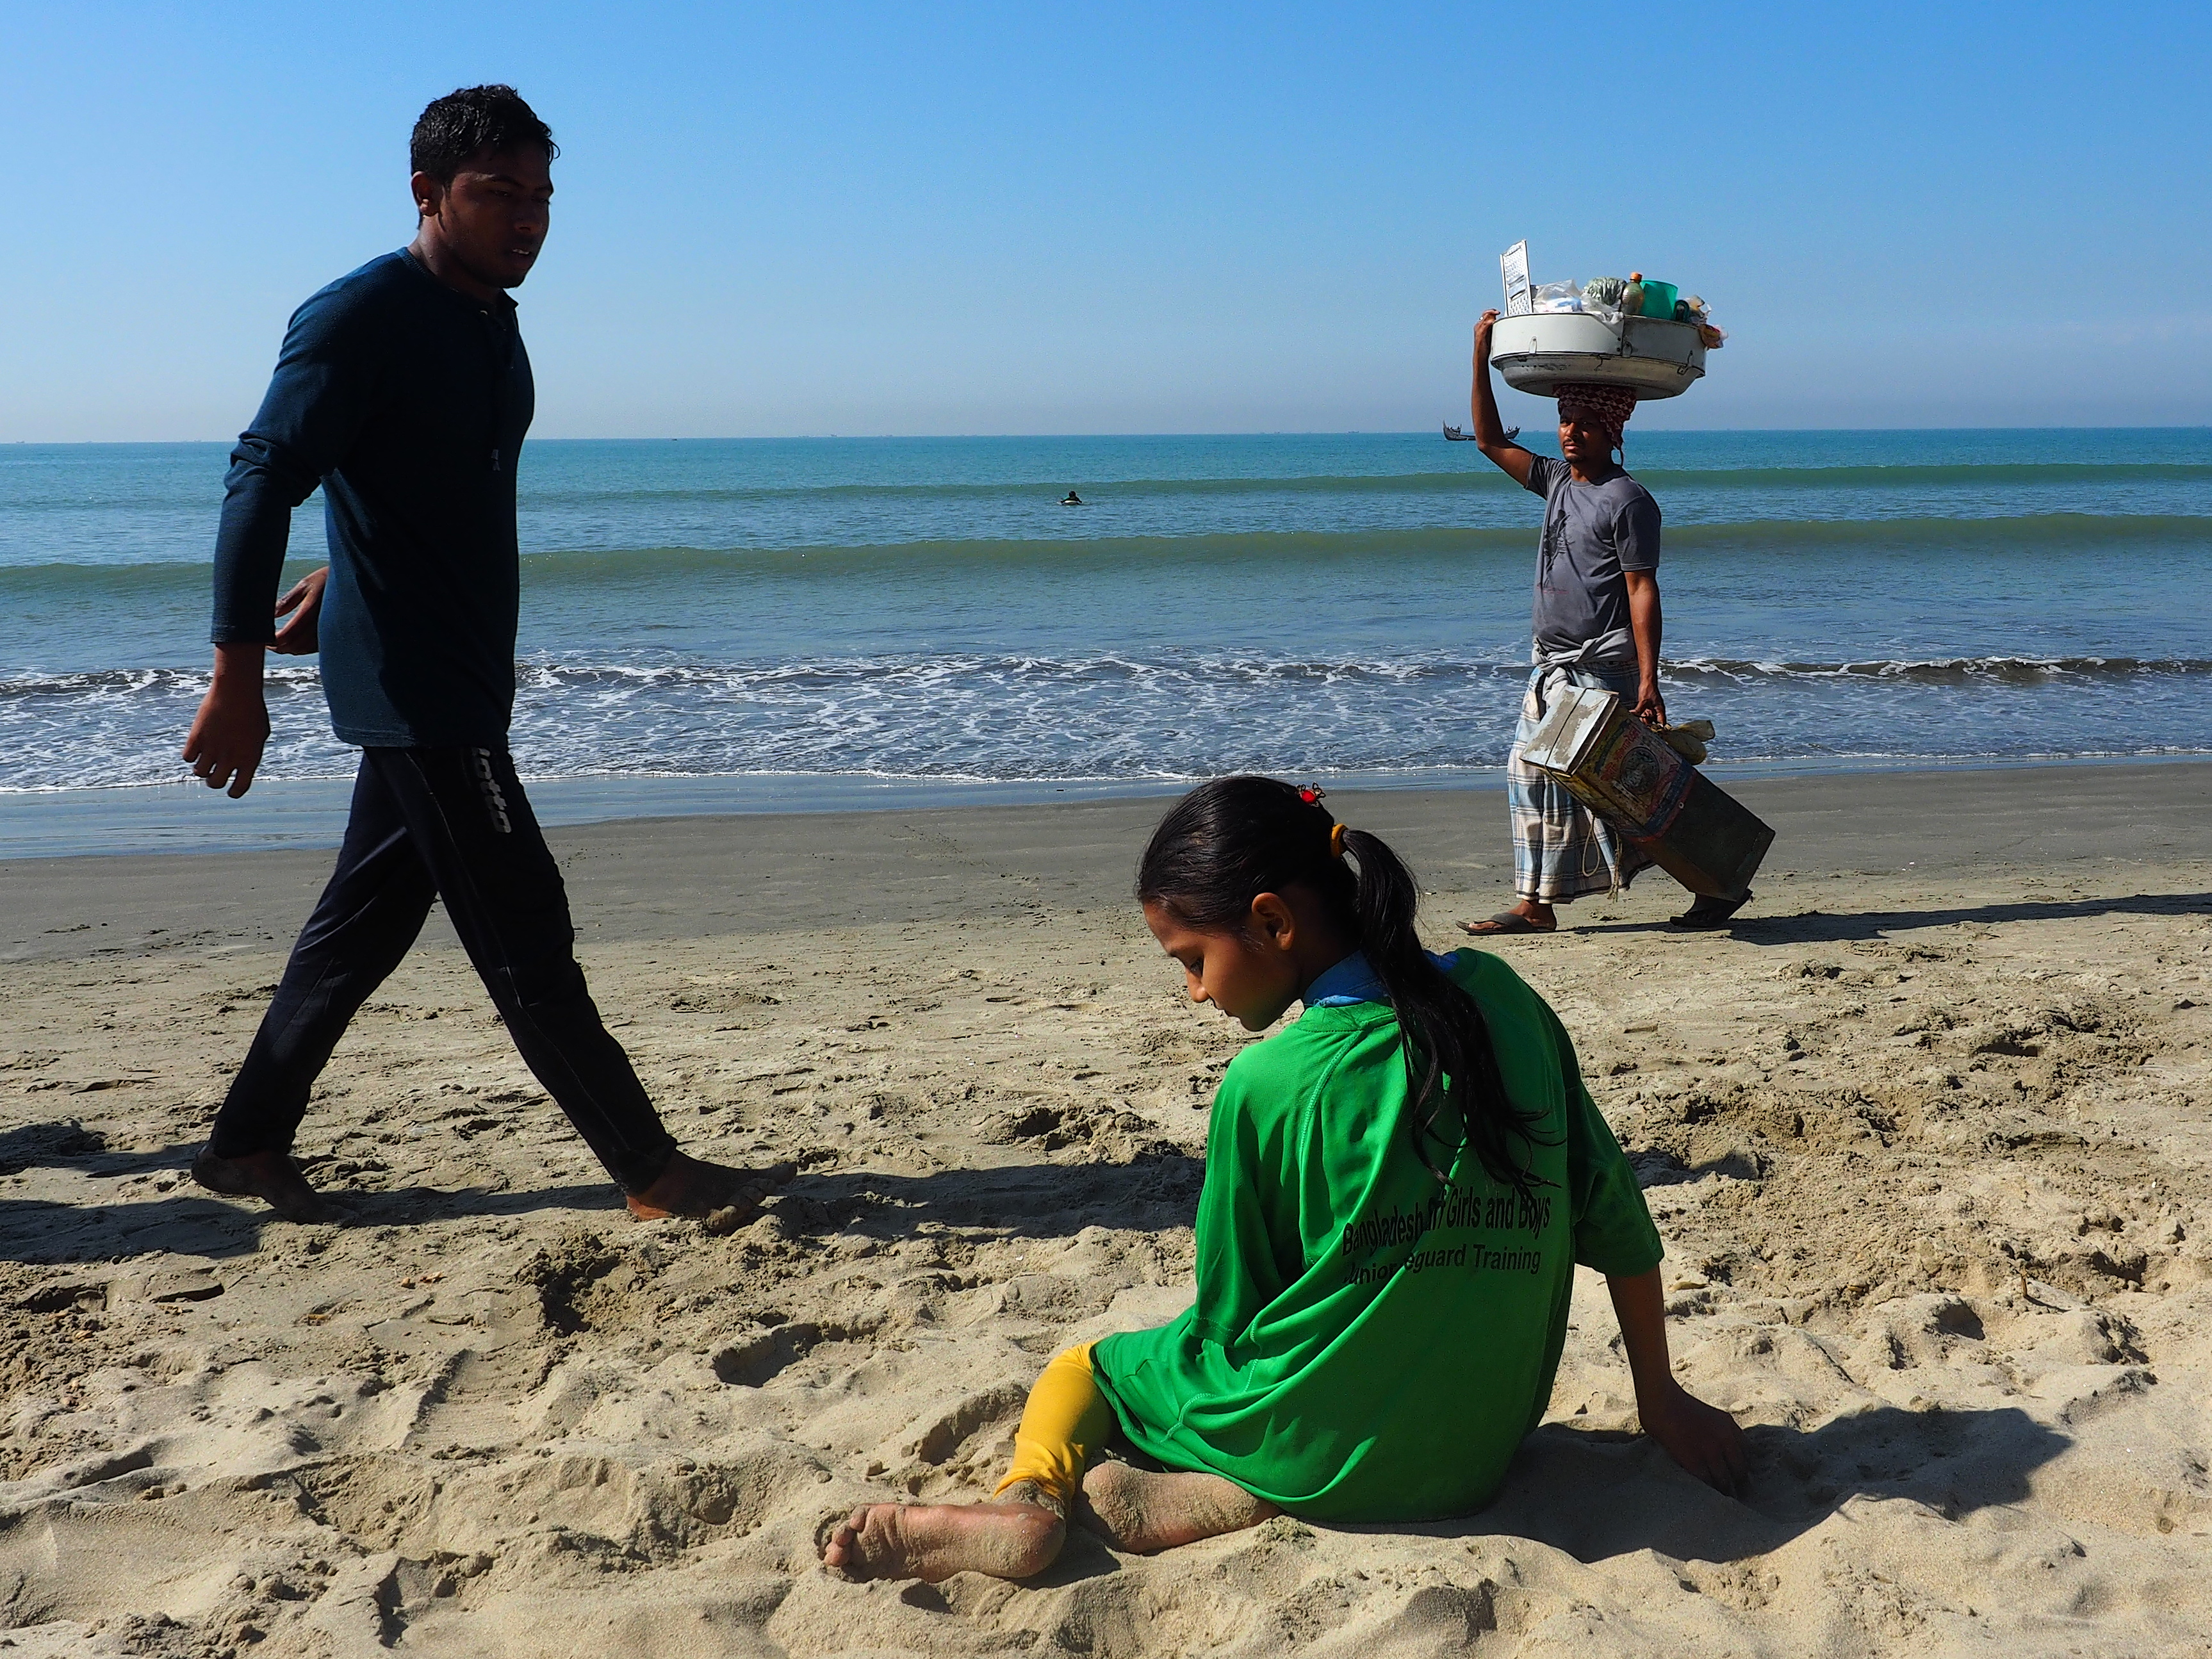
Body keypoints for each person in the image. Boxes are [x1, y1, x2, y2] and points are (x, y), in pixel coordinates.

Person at [821, 776, 1745, 1583]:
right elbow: (1615, 1218)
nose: (1194, 992)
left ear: (1271, 920)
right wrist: (1657, 1400)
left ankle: (1031, 1498)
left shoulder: (1268, 1083)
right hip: (1478, 1454)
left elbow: (1232, 1318)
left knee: (1091, 1365)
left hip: (1329, 1446)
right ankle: (1259, 1482)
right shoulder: (1507, 999)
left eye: (1192, 960)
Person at [180, 86, 791, 1227]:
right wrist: (236, 677)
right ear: (428, 194)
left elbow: (411, 473)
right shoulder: (359, 316)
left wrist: (341, 575)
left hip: (450, 662)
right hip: (420, 688)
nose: (527, 219)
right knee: (525, 929)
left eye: (541, 195)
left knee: (364, 919)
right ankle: (652, 1173)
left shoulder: (485, 312)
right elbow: (262, 475)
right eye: (497, 193)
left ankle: (248, 1141)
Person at [1461, 310, 1748, 935]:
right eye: (1566, 420)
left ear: (1612, 430)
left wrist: (1650, 680)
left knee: (1631, 793)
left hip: (1601, 667)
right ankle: (1535, 906)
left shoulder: (1629, 500)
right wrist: (1480, 354)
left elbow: (1643, 590)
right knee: (1536, 775)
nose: (1571, 432)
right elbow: (1488, 441)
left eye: (1586, 423)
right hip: (1552, 667)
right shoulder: (1557, 480)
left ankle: (1719, 880)